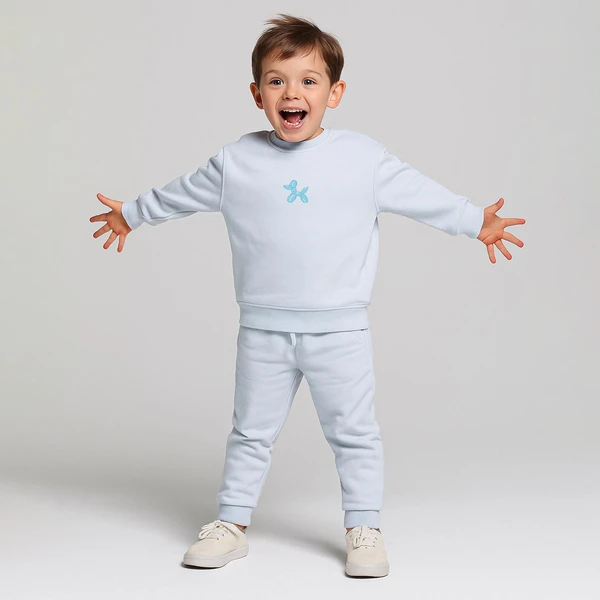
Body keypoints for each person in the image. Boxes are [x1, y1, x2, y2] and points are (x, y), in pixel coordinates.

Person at [89, 13, 525, 578]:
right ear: (257, 95)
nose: (291, 93)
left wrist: (473, 220)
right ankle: (231, 524)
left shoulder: (363, 158)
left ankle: (364, 528)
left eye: (308, 81)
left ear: (334, 93)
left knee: (354, 433)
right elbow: (181, 193)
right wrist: (131, 213)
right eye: (276, 81)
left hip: (339, 329)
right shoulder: (236, 162)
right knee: (250, 431)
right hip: (263, 329)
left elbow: (420, 193)